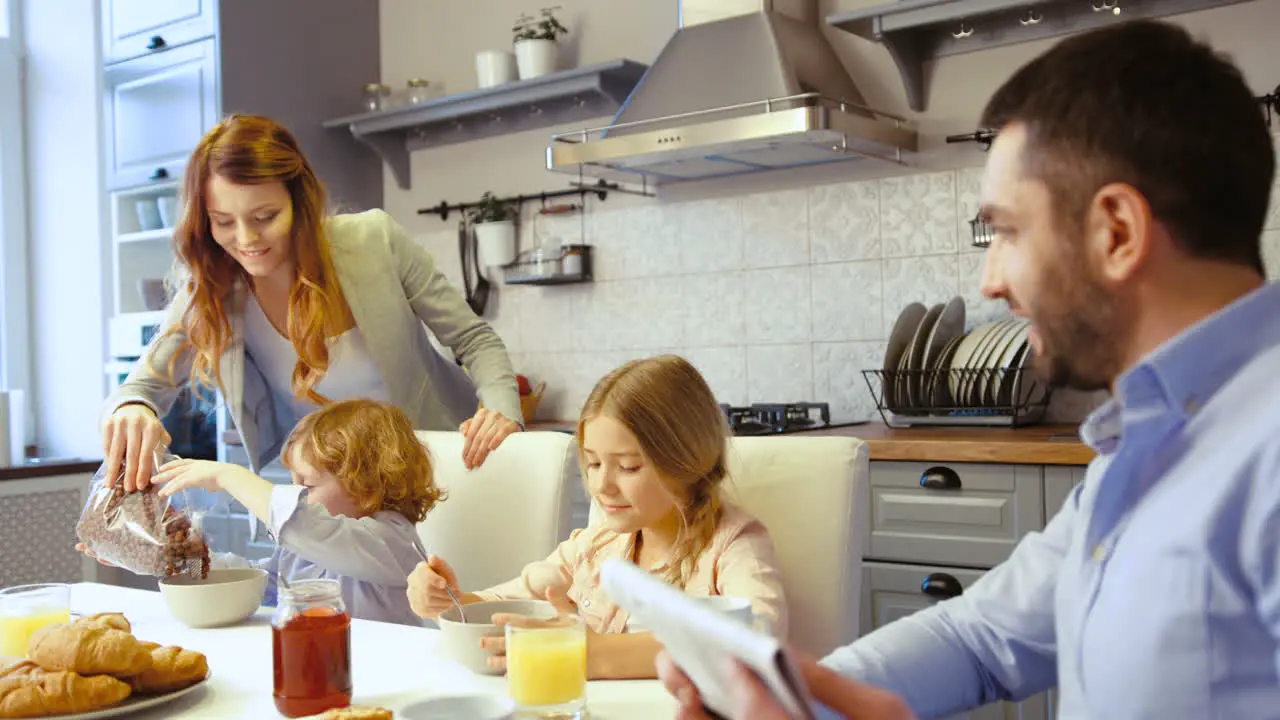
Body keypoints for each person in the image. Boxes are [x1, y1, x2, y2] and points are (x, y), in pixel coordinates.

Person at [661, 18, 1280, 720]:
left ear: (1117, 233)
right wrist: (793, 697)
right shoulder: (1142, 441)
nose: (990, 281)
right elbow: (979, 636)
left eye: (1007, 233)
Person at [101, 114, 522, 491]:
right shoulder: (213, 288)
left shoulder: (373, 241)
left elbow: (473, 338)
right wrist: (134, 408)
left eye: (265, 217)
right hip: (329, 499)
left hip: (439, 472)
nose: (246, 240)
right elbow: (141, 386)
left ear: (299, 203)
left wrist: (501, 412)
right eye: (224, 222)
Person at [406, 355, 788, 679]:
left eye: (628, 467)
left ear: (687, 461)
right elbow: (510, 605)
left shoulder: (732, 546)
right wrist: (451, 601)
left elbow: (756, 637)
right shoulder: (593, 545)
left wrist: (595, 655)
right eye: (592, 463)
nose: (601, 485)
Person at [92, 399, 443, 626]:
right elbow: (253, 585)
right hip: (317, 666)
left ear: (367, 485)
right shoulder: (300, 553)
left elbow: (307, 528)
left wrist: (228, 475)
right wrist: (170, 556)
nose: (297, 496)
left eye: (308, 485)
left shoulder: (394, 543)